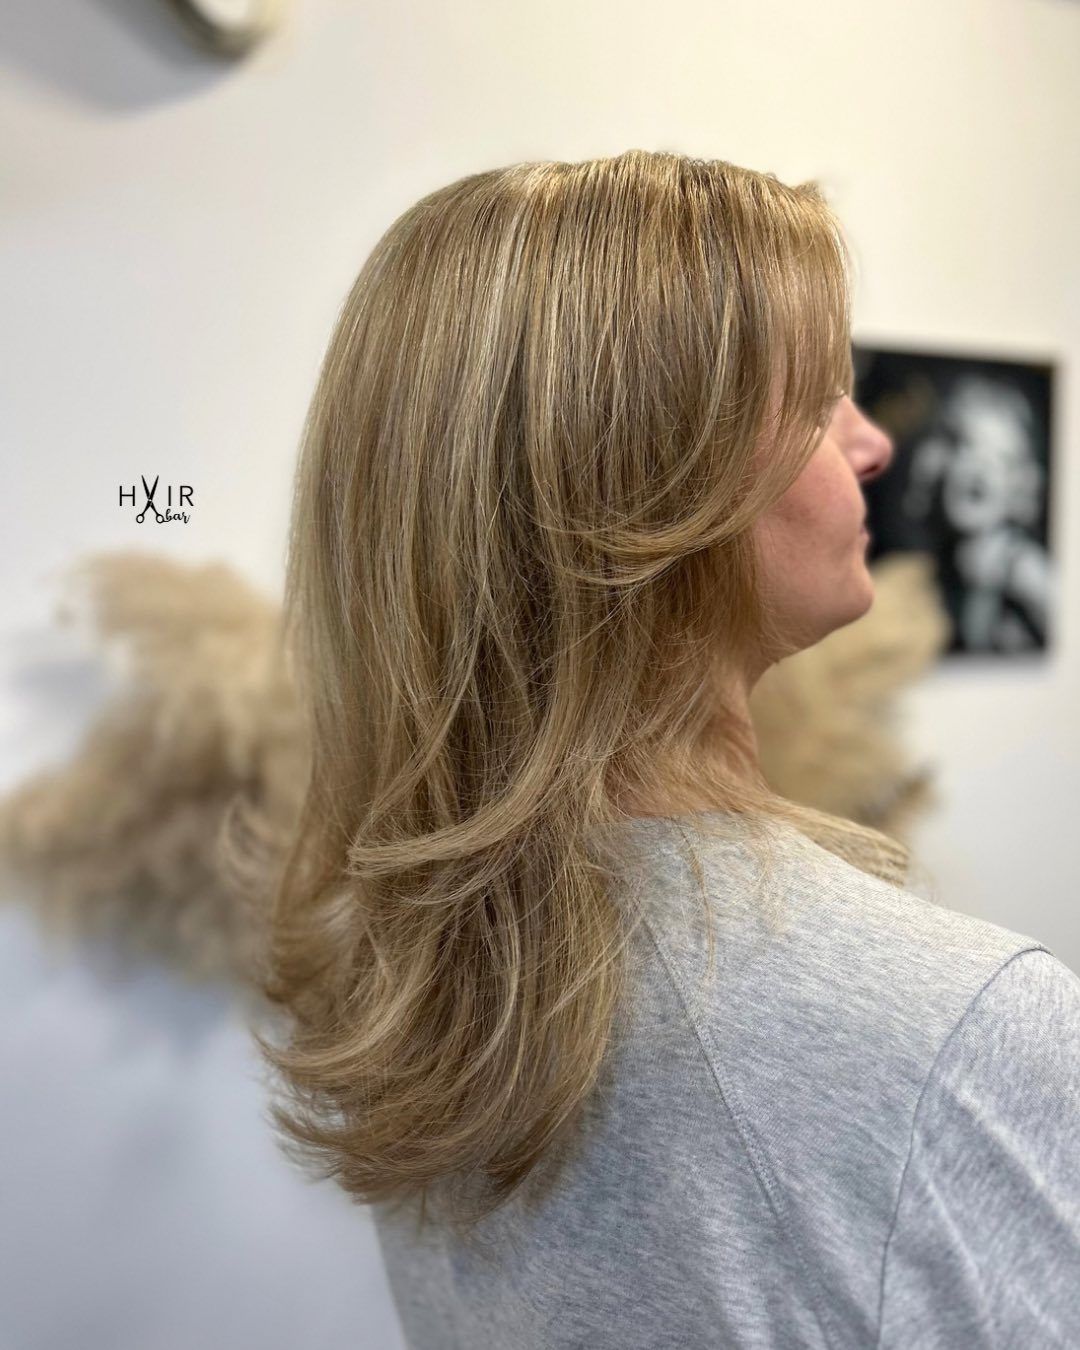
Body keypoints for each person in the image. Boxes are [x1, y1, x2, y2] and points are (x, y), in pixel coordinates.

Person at [233, 150, 1080, 1347]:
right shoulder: (960, 1034)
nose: (871, 445)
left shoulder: (423, 962)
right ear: (649, 487)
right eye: (818, 401)